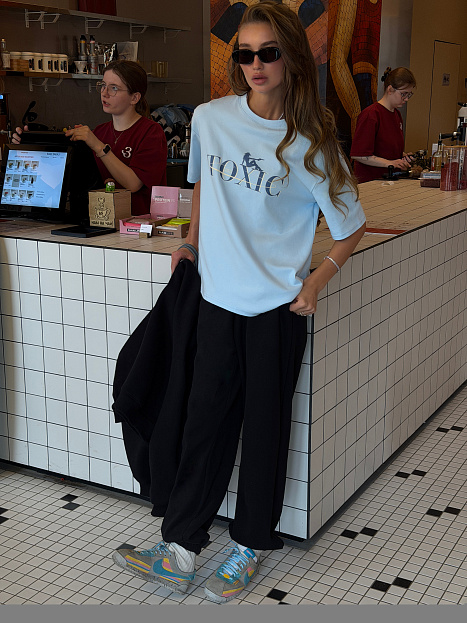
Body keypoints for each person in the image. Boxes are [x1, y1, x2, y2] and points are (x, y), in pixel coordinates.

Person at [112, 1, 366, 604]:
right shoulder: (211, 119)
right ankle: (181, 548)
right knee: (204, 423)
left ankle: (249, 546)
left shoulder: (313, 142)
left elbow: (351, 225)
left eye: (268, 53)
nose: (256, 64)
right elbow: (204, 185)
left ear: (291, 58)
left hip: (276, 310)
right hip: (216, 300)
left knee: (265, 430)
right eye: (246, 54)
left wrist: (314, 284)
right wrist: (192, 244)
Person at [13, 60, 167, 215]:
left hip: (137, 222)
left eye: (114, 88)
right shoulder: (99, 132)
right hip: (100, 220)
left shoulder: (151, 132)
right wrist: (28, 143)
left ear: (134, 98)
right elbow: (64, 177)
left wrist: (98, 146)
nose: (105, 93)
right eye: (103, 85)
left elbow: (133, 184)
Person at [350, 66, 417, 183]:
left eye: (409, 95)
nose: (406, 99)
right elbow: (359, 155)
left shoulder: (396, 114)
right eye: (403, 94)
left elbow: (385, 150)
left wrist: (403, 157)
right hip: (370, 183)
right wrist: (390, 163)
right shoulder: (371, 115)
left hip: (390, 181)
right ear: (390, 89)